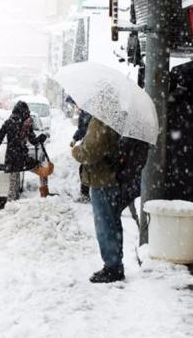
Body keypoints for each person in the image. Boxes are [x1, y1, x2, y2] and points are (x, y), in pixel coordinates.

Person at [71, 117, 124, 283]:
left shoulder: (101, 120)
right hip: (111, 178)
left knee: (105, 224)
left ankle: (112, 267)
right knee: (112, 222)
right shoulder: (115, 118)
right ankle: (115, 264)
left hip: (102, 180)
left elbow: (91, 152)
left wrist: (76, 150)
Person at [0, 101, 47, 200]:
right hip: (22, 156)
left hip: (12, 157)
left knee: (13, 185)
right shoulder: (27, 124)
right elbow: (33, 141)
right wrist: (40, 138)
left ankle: (11, 204)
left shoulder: (9, 122)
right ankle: (45, 195)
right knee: (42, 171)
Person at [71, 108, 92, 202]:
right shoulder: (84, 112)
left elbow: (84, 129)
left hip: (91, 143)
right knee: (85, 169)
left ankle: (85, 194)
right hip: (88, 142)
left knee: (85, 169)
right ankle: (85, 193)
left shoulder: (88, 113)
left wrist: (75, 138)